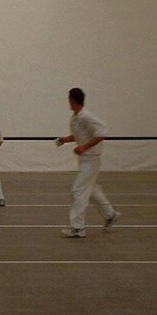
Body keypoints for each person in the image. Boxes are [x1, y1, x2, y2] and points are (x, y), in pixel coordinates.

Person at [55, 88, 120, 238]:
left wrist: (84, 147)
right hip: (85, 160)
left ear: (72, 100)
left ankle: (78, 228)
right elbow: (79, 135)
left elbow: (102, 132)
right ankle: (110, 215)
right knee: (91, 191)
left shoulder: (86, 116)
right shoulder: (75, 118)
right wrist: (65, 139)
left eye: (69, 99)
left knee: (78, 190)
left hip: (91, 159)